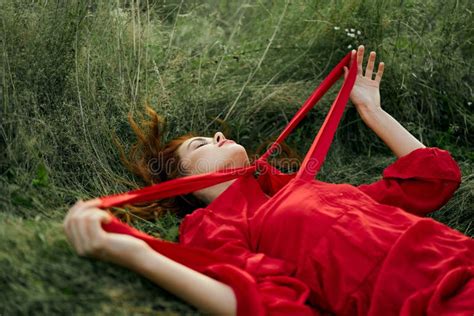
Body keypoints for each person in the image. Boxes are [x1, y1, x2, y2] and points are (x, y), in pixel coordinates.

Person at [63, 45, 473, 315]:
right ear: (184, 182)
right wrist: (138, 255)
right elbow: (258, 302)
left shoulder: (302, 188)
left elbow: (433, 177)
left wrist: (372, 112)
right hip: (432, 303)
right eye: (202, 144)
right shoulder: (217, 226)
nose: (220, 135)